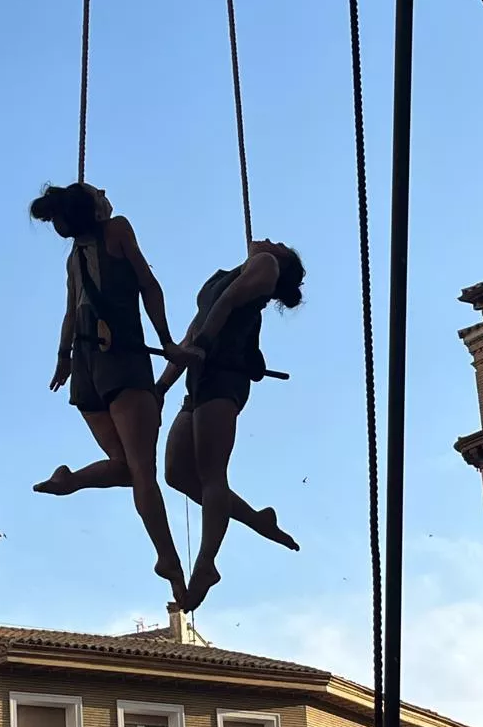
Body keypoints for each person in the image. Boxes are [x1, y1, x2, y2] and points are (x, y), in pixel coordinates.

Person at [29, 182, 200, 601]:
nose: (105, 190)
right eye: (96, 191)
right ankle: (170, 561)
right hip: (120, 355)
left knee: (126, 467)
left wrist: (64, 358)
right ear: (95, 207)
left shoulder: (74, 256)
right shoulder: (118, 229)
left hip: (87, 363)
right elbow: (148, 285)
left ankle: (71, 481)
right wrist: (169, 341)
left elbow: (72, 310)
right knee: (142, 470)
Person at [157, 239, 306, 611]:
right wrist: (162, 386)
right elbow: (193, 332)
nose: (275, 241)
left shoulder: (267, 264)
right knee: (177, 474)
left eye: (282, 246)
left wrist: (203, 346)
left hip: (221, 377)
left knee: (211, 475)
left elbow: (223, 310)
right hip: (203, 375)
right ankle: (257, 520)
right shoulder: (230, 275)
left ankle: (206, 563)